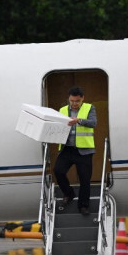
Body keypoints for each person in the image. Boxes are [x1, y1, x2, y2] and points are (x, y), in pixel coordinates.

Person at [54, 86, 97, 216]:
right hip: (67, 149)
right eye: (72, 101)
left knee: (85, 179)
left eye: (77, 101)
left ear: (82, 99)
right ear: (69, 98)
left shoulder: (89, 108)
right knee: (58, 171)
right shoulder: (62, 110)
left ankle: (83, 206)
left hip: (84, 150)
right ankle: (69, 193)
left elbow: (93, 123)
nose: (74, 104)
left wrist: (79, 121)